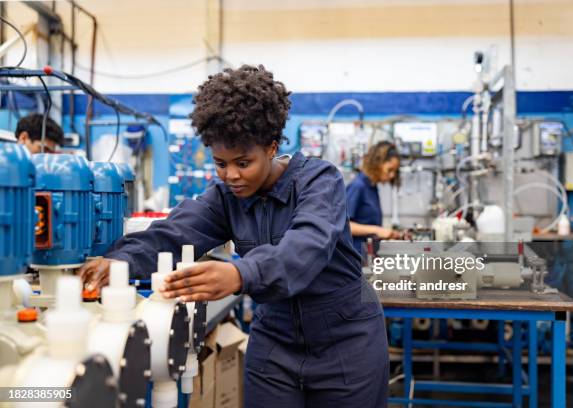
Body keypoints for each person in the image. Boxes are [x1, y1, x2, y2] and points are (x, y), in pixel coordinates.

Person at [78, 65, 389, 407]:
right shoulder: (227, 198)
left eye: (243, 162)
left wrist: (242, 273)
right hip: (276, 343)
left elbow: (306, 247)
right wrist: (118, 260)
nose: (232, 176)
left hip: (346, 343)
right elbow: (174, 232)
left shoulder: (319, 181)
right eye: (221, 163)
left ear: (271, 147)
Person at [346, 141, 401, 255]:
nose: (392, 175)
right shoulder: (358, 186)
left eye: (394, 172)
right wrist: (377, 230)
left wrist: (388, 234)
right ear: (378, 163)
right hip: (355, 258)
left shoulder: (372, 187)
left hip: (368, 255)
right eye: (390, 169)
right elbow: (344, 225)